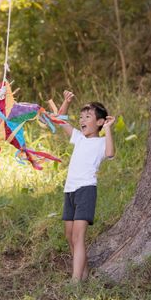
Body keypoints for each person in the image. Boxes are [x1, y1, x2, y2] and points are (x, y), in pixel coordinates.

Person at [57, 91, 115, 282]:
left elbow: (110, 153)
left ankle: (75, 280)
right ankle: (83, 272)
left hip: (86, 190)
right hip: (70, 190)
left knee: (78, 235)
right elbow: (59, 119)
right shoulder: (79, 138)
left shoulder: (100, 142)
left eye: (88, 117)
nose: (82, 120)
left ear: (99, 122)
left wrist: (108, 129)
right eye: (81, 117)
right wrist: (66, 102)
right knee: (69, 235)